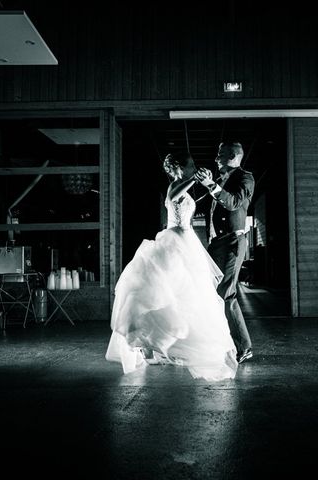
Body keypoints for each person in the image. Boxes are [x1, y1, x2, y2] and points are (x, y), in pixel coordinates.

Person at [105, 152, 238, 381]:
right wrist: (195, 179)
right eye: (191, 165)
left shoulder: (184, 188)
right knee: (162, 294)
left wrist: (203, 185)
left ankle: (176, 343)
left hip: (187, 242)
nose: (194, 167)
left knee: (187, 295)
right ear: (180, 168)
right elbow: (174, 197)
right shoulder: (174, 188)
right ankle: (148, 343)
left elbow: (187, 201)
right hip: (174, 243)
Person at [194, 142, 254, 364]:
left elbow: (234, 202)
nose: (216, 157)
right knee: (213, 293)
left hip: (232, 242)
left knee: (226, 294)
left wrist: (211, 184)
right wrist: (208, 181)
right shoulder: (220, 180)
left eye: (220, 154)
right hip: (216, 244)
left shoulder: (246, 178)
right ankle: (222, 342)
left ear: (232, 156)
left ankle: (243, 347)